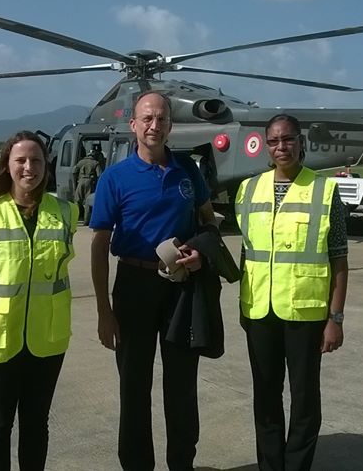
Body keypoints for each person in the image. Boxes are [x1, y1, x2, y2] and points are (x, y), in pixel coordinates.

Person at [89, 91, 216, 471]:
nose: (154, 125)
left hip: (180, 287)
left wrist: (200, 253)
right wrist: (103, 310)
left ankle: (182, 463)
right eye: (146, 118)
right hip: (133, 286)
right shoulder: (115, 178)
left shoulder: (188, 171)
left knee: (181, 387)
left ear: (170, 125)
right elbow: (99, 246)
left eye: (161, 119)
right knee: (134, 387)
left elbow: (208, 221)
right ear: (133, 125)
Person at [0, 130, 78, 470]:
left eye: (36, 160)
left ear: (46, 166)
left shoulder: (65, 213)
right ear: (7, 166)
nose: (29, 167)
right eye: (20, 160)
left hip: (47, 338)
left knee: (36, 424)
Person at [234, 114, 349, 471]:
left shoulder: (324, 190)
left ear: (301, 143)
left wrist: (336, 318)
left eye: (287, 140)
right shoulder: (248, 189)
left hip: (305, 313)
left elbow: (340, 261)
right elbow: (248, 251)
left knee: (303, 399)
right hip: (259, 312)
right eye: (273, 141)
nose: (281, 147)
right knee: (265, 398)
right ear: (265, 146)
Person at [72, 148, 102, 226]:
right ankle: (86, 221)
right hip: (90, 182)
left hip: (80, 181)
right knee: (87, 202)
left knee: (77, 200)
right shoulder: (96, 163)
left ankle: (75, 219)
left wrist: (75, 181)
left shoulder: (81, 162)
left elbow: (74, 171)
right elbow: (99, 175)